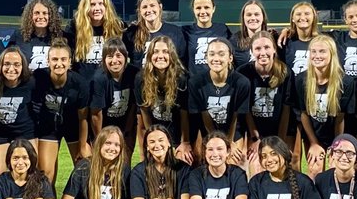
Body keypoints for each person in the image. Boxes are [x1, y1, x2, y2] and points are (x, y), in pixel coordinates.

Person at [294, 35, 355, 177]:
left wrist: (336, 146)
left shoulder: (345, 82)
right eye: (313, 52)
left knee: (337, 170)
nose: (317, 56)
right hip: (313, 133)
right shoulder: (301, 80)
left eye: (322, 51)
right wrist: (314, 143)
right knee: (314, 170)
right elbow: (304, 114)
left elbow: (340, 118)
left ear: (331, 54)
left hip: (335, 134)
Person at [31, 38, 91, 181]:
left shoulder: (80, 83)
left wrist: (82, 145)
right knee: (45, 173)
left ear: (70, 62)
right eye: (55, 59)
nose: (59, 64)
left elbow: (83, 118)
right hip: (48, 127)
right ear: (48, 61)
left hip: (74, 126)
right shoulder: (38, 77)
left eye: (63, 59)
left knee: (86, 167)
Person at [188, 38, 250, 165]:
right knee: (205, 158)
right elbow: (204, 116)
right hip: (206, 131)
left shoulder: (242, 82)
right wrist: (216, 142)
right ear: (206, 58)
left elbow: (236, 117)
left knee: (233, 160)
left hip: (232, 132)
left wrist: (228, 143)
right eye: (211, 54)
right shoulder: (196, 83)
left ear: (230, 58)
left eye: (221, 54)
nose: (216, 58)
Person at [239, 30, 295, 172]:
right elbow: (245, 109)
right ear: (251, 51)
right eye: (257, 48)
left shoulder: (285, 72)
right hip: (254, 129)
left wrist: (279, 142)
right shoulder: (243, 73)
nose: (262, 52)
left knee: (283, 166)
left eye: (267, 47)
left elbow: (286, 109)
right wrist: (255, 138)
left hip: (278, 128)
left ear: (274, 49)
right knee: (256, 166)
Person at [134, 34, 193, 165]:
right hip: (157, 131)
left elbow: (184, 115)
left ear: (172, 56)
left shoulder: (182, 79)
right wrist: (152, 140)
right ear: (149, 56)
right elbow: (145, 114)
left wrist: (184, 142)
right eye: (155, 52)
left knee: (181, 162)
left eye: (165, 52)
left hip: (177, 132)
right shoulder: (141, 79)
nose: (160, 56)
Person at [0, 47, 36, 179]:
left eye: (16, 64)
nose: (11, 69)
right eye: (7, 64)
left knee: (29, 175)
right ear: (0, 65)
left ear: (23, 66)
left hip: (25, 131)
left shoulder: (31, 82)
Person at [89, 37, 137, 156]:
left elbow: (133, 106)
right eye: (109, 56)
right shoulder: (99, 78)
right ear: (104, 60)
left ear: (125, 58)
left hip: (125, 123)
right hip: (104, 125)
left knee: (124, 163)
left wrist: (127, 132)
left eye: (118, 56)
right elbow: (96, 114)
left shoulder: (134, 74)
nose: (114, 60)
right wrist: (100, 139)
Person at [71, 0, 125, 78]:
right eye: (92, 4)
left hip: (109, 82)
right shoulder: (75, 28)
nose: (97, 8)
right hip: (84, 84)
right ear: (85, 7)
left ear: (106, 6)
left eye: (101, 4)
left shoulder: (117, 27)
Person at [8, 0, 64, 72]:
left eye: (45, 13)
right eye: (37, 13)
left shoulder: (60, 36)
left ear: (51, 16)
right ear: (30, 16)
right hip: (26, 82)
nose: (40, 17)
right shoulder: (19, 35)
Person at [183, 0, 233, 78]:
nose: (203, 11)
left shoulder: (222, 29)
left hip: (220, 82)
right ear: (193, 10)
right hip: (195, 85)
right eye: (198, 8)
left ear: (213, 9)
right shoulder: (186, 31)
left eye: (206, 7)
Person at [281, 1, 319, 76]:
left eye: (307, 14)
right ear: (292, 18)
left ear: (314, 17)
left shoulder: (322, 41)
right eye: (298, 14)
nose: (302, 17)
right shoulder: (285, 42)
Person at [232, 0, 269, 69]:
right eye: (249, 15)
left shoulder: (273, 38)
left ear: (263, 17)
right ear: (243, 18)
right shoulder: (234, 40)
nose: (253, 18)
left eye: (256, 14)